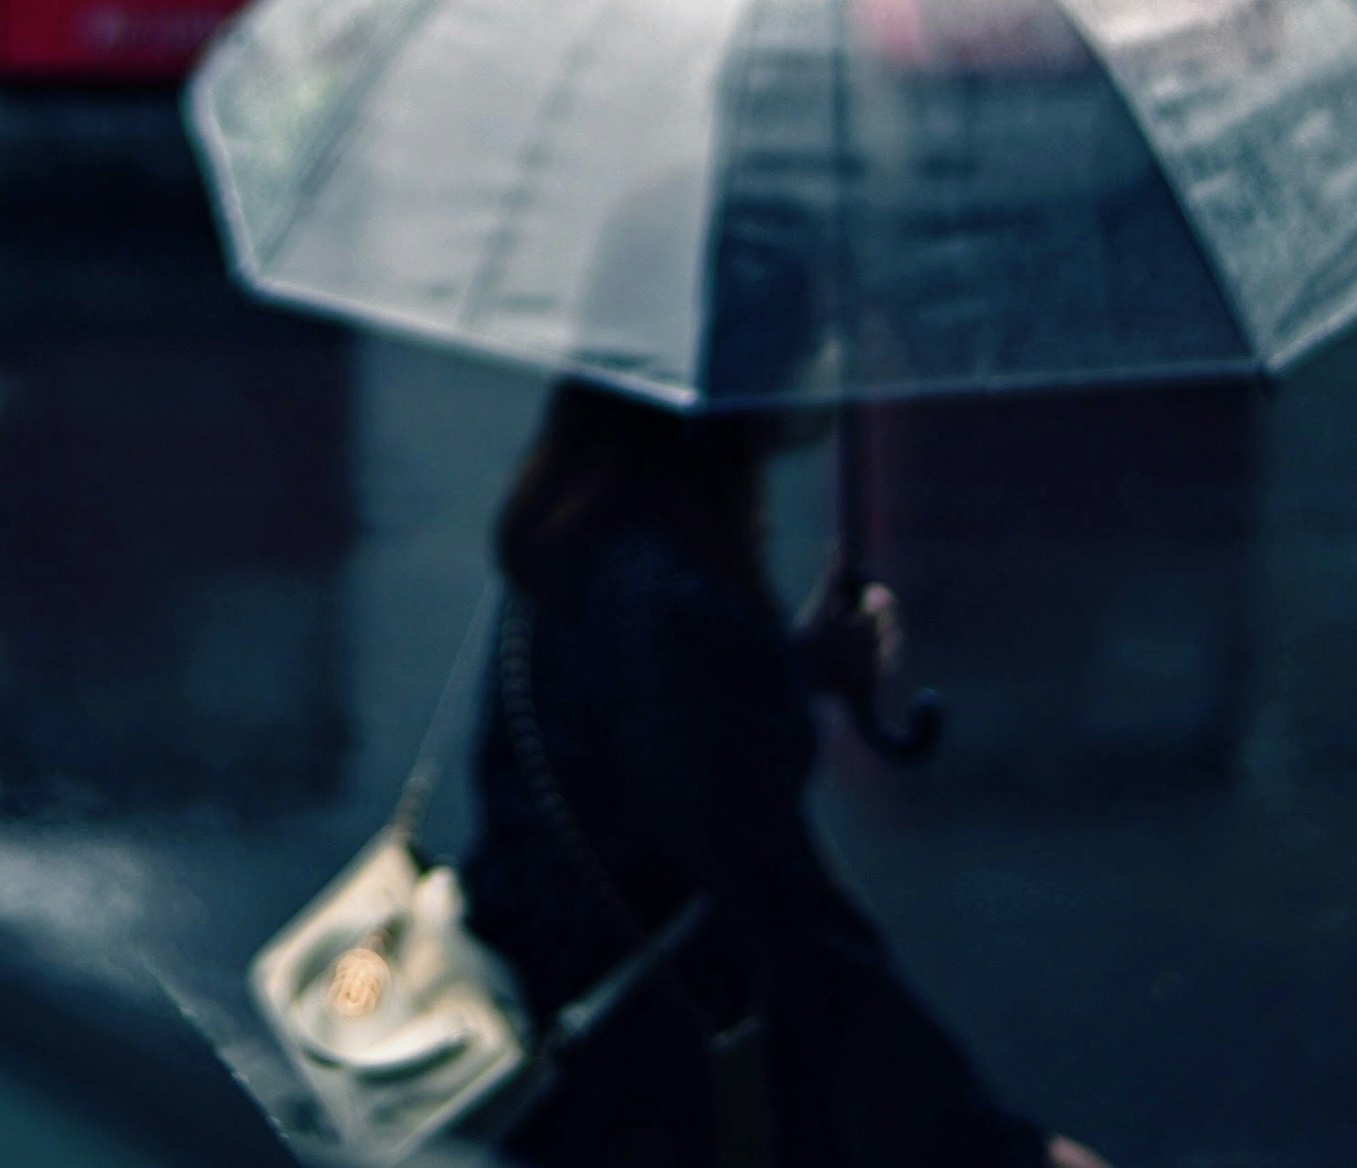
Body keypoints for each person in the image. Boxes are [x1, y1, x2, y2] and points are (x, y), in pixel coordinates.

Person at [461, 383, 1111, 1168]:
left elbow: (638, 753)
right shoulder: (674, 604)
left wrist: (789, 668)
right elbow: (791, 917)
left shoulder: (571, 546)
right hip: (656, 1093)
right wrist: (998, 1146)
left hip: (565, 1056)